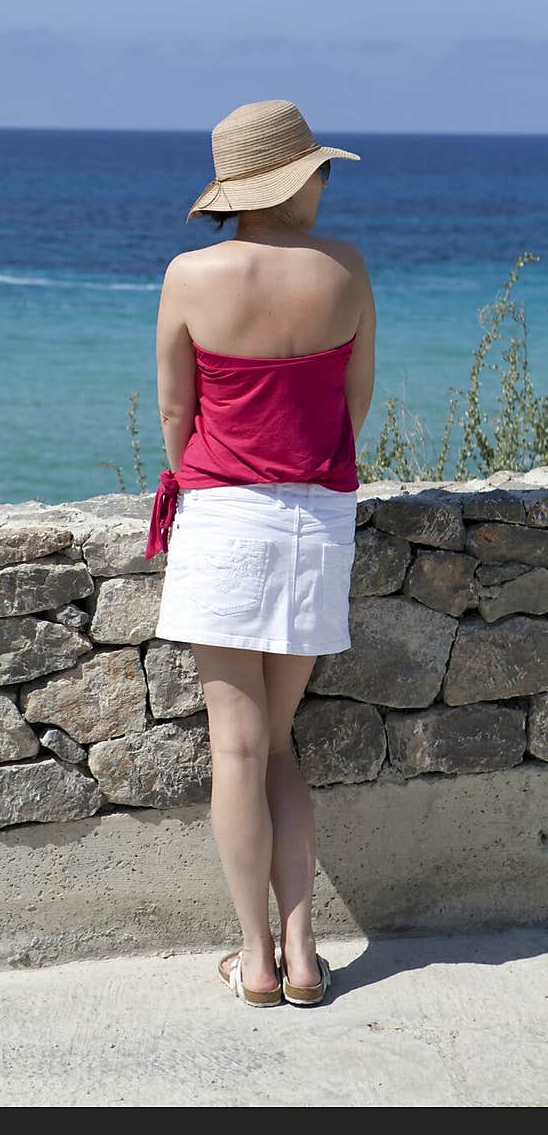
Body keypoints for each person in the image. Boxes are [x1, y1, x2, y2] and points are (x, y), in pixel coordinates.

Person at [146, 99, 375, 1007]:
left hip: (225, 520)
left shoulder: (190, 274)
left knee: (235, 752)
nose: (326, 184)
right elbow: (354, 403)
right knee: (278, 743)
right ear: (292, 182)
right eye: (320, 170)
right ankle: (304, 949)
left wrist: (209, 479)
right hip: (316, 523)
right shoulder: (346, 269)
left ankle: (253, 959)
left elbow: (175, 412)